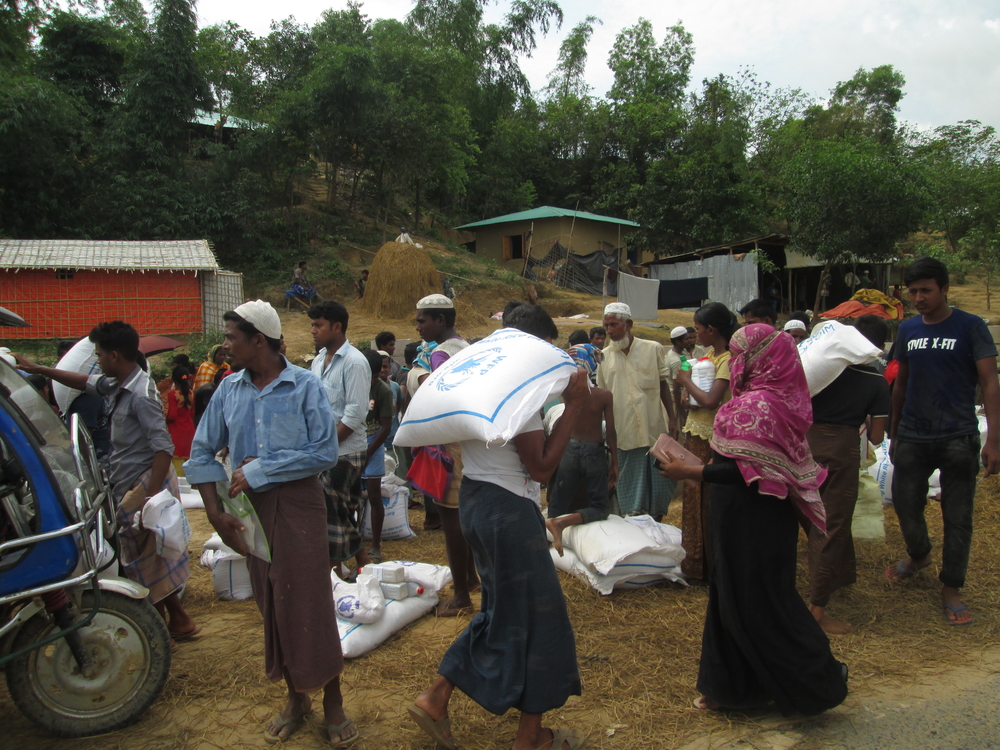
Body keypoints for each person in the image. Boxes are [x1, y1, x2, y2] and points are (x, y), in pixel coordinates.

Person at [409, 304, 590, 750]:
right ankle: (530, 737)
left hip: (476, 500)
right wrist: (575, 406)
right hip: (507, 512)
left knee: (503, 612)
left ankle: (439, 698)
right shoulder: (518, 394)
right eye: (547, 347)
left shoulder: (479, 380)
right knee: (544, 622)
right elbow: (543, 467)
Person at [184, 301, 353, 746]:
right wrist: (216, 514)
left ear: (258, 340)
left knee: (308, 600)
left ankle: (332, 700)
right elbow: (201, 453)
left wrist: (261, 469)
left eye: (231, 337)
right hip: (249, 511)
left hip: (299, 506)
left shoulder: (304, 386)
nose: (224, 345)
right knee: (271, 602)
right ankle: (298, 700)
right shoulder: (228, 389)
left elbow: (325, 452)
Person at [659, 323, 847, 715]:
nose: (737, 363)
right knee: (745, 600)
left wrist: (691, 472)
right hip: (765, 520)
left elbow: (743, 474)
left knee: (756, 605)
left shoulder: (754, 406)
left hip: (746, 522)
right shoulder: (785, 400)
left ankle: (815, 684)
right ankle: (732, 689)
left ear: (759, 359)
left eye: (741, 354)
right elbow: (763, 466)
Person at [15, 322, 198, 642]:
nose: (97, 359)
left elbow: (163, 449)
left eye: (99, 354)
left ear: (114, 355)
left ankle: (167, 626)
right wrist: (38, 368)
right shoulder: (118, 384)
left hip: (140, 483)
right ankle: (171, 623)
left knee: (139, 560)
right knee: (146, 560)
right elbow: (85, 381)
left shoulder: (140, 394)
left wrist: (145, 496)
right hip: (129, 482)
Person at [887, 256, 1000, 625]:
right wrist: (894, 428)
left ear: (945, 289)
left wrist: (994, 439)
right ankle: (919, 555)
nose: (918, 297)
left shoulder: (971, 326)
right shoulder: (907, 329)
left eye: (926, 290)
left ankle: (951, 587)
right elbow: (900, 381)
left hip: (958, 435)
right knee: (905, 503)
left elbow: (990, 383)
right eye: (913, 291)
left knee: (959, 517)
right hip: (913, 435)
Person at [805, 315, 891, 634]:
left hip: (801, 446)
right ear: (875, 348)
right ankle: (817, 609)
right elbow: (879, 436)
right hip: (840, 451)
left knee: (807, 518)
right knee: (833, 524)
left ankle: (835, 578)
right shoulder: (875, 382)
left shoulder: (817, 371)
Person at [412, 293, 479, 616]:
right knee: (463, 515)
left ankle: (462, 596)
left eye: (422, 320)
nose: (418, 326)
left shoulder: (439, 355)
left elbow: (441, 400)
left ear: (440, 320)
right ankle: (471, 576)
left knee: (451, 518)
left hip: (450, 444)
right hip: (470, 441)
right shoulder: (466, 348)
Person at [308, 301, 374, 574]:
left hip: (345, 451)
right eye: (312, 324)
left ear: (337, 327)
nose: (313, 330)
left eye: (318, 325)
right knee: (335, 512)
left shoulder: (354, 362)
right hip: (323, 450)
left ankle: (335, 570)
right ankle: (359, 565)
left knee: (333, 510)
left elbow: (355, 413)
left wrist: (325, 445)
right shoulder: (316, 361)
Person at [596, 302, 677, 519]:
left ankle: (657, 524)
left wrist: (672, 419)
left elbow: (662, 386)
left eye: (614, 325)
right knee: (631, 501)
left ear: (628, 324)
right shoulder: (602, 357)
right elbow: (603, 396)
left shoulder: (653, 349)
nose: (610, 330)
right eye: (607, 326)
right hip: (624, 436)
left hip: (654, 431)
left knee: (660, 488)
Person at [674, 302, 736, 580]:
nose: (695, 335)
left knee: (710, 500)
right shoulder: (710, 355)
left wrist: (685, 382)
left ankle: (713, 567)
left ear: (711, 329)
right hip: (696, 432)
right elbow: (702, 399)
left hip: (714, 437)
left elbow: (712, 401)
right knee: (693, 495)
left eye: (698, 329)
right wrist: (687, 400)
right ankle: (696, 564)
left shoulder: (728, 360)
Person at [546, 377, 618, 557]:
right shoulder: (604, 395)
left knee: (558, 502)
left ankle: (547, 542)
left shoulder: (568, 394)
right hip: (594, 451)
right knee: (600, 507)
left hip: (570, 449)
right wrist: (615, 462)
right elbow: (610, 431)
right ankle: (561, 524)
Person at [360, 349, 392, 563]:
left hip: (373, 441)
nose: (371, 379)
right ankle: (354, 544)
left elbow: (386, 427)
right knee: (352, 497)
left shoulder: (383, 391)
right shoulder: (354, 386)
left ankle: (375, 545)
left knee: (373, 495)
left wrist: (369, 452)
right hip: (353, 442)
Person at [165, 365, 196, 478]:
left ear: (174, 379)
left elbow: (172, 415)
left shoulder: (172, 395)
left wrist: (164, 420)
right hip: (189, 433)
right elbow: (192, 414)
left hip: (176, 434)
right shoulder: (192, 394)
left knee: (177, 471)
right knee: (187, 467)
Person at [664, 326, 691, 431]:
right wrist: (682, 414)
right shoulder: (676, 361)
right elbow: (676, 390)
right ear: (678, 342)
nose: (689, 341)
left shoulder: (681, 353)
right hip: (676, 402)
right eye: (686, 339)